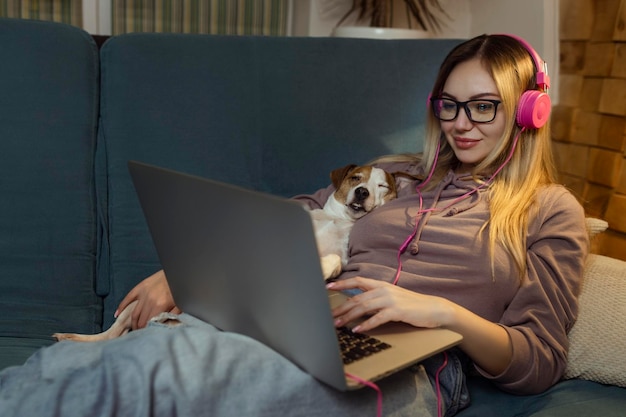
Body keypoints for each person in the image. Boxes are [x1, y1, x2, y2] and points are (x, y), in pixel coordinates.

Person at [0, 34, 588, 417]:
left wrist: (443, 313)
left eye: (483, 105)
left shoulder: (549, 210)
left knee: (165, 374)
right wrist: (182, 273)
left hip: (414, 363)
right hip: (301, 319)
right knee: (78, 366)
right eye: (449, 105)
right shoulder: (392, 175)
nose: (462, 123)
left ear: (529, 111)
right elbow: (285, 221)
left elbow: (538, 360)